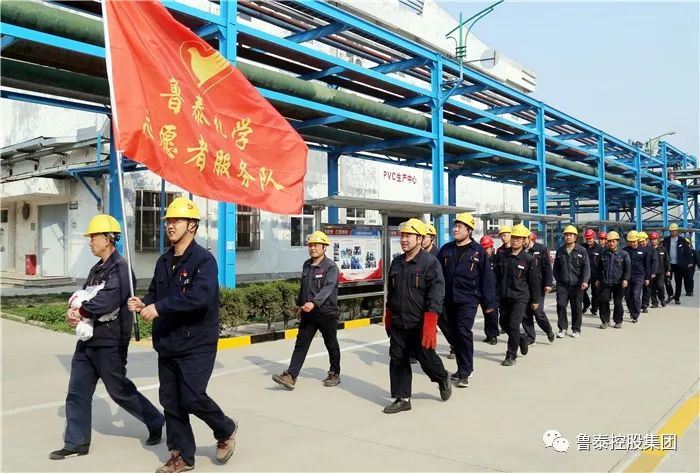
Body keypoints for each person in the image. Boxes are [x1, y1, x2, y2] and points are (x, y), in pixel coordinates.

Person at [128, 197, 237, 473]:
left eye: (176, 220)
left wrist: (159, 308)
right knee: (171, 401)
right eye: (168, 221)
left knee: (191, 396)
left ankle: (225, 428)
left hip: (196, 342)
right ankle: (182, 456)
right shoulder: (164, 260)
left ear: (192, 225)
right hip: (168, 341)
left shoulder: (204, 261)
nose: (170, 225)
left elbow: (200, 298)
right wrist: (144, 302)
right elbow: (156, 293)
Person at [50, 215, 164, 460]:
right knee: (77, 392)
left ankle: (155, 420)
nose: (90, 242)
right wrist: (73, 311)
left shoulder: (121, 270)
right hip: (88, 340)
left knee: (119, 391)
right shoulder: (97, 269)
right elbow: (83, 296)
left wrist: (81, 311)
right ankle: (76, 442)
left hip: (110, 342)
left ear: (108, 239)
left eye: (94, 237)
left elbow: (105, 301)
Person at [383, 218, 452, 414]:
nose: (404, 239)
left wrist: (430, 323)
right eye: (402, 235)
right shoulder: (396, 262)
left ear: (420, 239)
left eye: (409, 236)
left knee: (426, 359)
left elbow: (436, 294)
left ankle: (442, 377)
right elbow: (392, 292)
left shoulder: (430, 263)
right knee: (397, 358)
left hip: (420, 323)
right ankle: (402, 398)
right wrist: (388, 314)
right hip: (399, 321)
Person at [272, 231, 341, 390]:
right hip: (308, 313)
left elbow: (328, 288)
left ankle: (334, 373)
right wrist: (300, 306)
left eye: (316, 245)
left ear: (324, 247)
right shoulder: (306, 265)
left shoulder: (331, 267)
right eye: (310, 245)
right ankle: (291, 375)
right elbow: (304, 287)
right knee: (301, 344)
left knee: (331, 343)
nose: (312, 248)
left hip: (326, 312)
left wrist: (314, 303)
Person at [438, 213, 496, 387]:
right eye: (455, 226)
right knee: (452, 332)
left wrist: (489, 303)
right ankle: (461, 366)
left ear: (469, 230)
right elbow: (436, 273)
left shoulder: (478, 251)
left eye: (459, 227)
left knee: (463, 331)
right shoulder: (446, 249)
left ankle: (466, 371)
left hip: (469, 298)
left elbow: (486, 278)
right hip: (448, 298)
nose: (455, 229)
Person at [493, 224, 540, 366]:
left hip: (520, 297)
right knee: (504, 324)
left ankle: (511, 355)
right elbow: (496, 277)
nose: (514, 240)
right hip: (504, 296)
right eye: (513, 237)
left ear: (524, 240)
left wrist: (535, 299)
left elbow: (534, 281)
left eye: (518, 238)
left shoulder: (528, 259)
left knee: (514, 325)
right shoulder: (502, 256)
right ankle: (521, 338)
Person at [552, 225, 590, 338]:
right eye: (566, 235)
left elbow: (586, 267)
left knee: (576, 307)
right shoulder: (560, 251)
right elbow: (555, 268)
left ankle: (576, 329)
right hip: (563, 285)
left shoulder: (582, 250)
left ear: (575, 237)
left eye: (570, 235)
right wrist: (558, 280)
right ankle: (562, 328)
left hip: (577, 285)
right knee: (561, 305)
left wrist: (585, 280)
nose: (568, 237)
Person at [523, 231, 555, 344]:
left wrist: (548, 283)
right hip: (524, 287)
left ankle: (548, 330)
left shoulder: (541, 249)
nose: (523, 242)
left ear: (529, 238)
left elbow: (547, 267)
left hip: (538, 286)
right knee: (525, 313)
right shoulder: (520, 250)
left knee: (537, 312)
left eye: (524, 239)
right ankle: (530, 337)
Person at [593, 231, 630, 329]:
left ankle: (618, 321)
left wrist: (626, 279)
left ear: (617, 242)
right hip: (605, 282)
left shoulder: (624, 254)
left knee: (618, 302)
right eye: (609, 241)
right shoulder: (603, 254)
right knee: (604, 301)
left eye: (613, 241)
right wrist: (597, 279)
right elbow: (598, 268)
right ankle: (605, 321)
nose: (611, 243)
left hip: (619, 283)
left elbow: (627, 268)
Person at [622, 230, 650, 323]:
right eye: (630, 242)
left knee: (635, 294)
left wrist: (647, 278)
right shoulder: (625, 251)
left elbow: (647, 265)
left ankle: (635, 315)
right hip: (627, 276)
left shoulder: (643, 251)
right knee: (627, 296)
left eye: (634, 241)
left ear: (638, 240)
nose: (633, 243)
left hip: (639, 276)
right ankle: (631, 311)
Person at [663, 223, 692, 305]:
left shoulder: (682, 240)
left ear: (677, 231)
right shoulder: (666, 240)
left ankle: (677, 298)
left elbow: (687, 252)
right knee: (667, 280)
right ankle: (670, 294)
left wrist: (688, 263)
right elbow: (663, 251)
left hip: (679, 265)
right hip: (669, 264)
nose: (673, 232)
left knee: (678, 282)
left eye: (674, 230)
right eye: (671, 231)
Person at [479, 235, 500, 345]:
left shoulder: (497, 259)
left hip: (494, 291)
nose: (485, 251)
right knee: (486, 313)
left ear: (492, 247)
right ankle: (488, 334)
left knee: (493, 314)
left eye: (487, 248)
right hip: (483, 291)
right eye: (483, 248)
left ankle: (494, 335)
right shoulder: (480, 260)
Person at [581, 229, 602, 317]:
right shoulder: (581, 247)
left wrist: (600, 277)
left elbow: (601, 263)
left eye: (590, 238)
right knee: (581, 291)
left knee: (595, 293)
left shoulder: (599, 249)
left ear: (594, 238)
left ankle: (594, 308)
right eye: (587, 238)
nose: (589, 240)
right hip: (584, 274)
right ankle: (586, 304)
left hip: (595, 274)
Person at [649, 232, 670, 308]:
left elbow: (667, 261)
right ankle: (654, 302)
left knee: (660, 286)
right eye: (652, 239)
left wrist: (668, 270)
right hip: (651, 272)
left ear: (657, 240)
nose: (653, 241)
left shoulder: (663, 249)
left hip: (661, 272)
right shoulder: (648, 249)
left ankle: (662, 299)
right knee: (652, 288)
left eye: (655, 239)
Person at [637, 231, 657, 313]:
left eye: (643, 241)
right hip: (638, 273)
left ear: (647, 240)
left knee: (647, 290)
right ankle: (637, 305)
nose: (642, 243)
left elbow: (655, 261)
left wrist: (653, 272)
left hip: (648, 273)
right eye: (640, 242)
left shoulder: (652, 250)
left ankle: (645, 305)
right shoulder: (636, 250)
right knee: (637, 291)